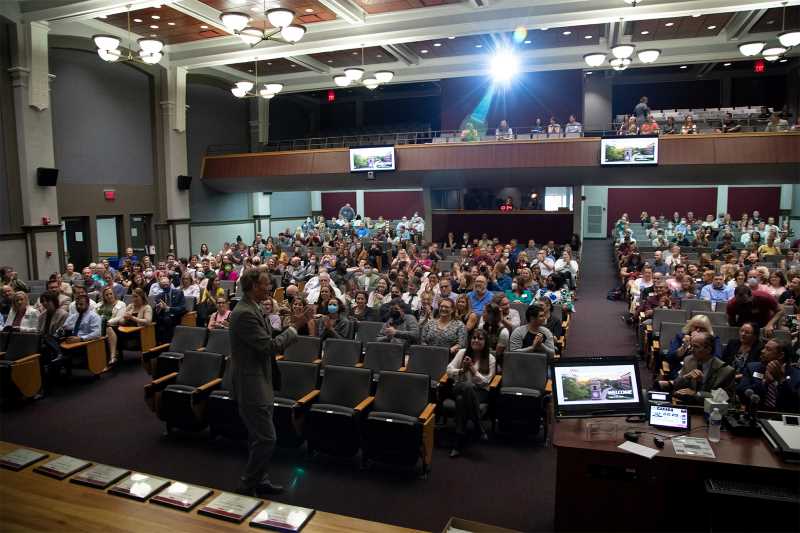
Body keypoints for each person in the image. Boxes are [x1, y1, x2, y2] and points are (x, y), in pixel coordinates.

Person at [230, 268, 313, 497]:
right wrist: (296, 327)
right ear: (253, 286)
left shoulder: (254, 307)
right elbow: (269, 346)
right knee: (267, 438)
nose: (270, 288)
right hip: (251, 384)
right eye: (266, 284)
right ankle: (247, 485)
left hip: (260, 380)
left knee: (259, 437)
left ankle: (261, 479)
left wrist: (291, 326)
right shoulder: (245, 313)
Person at [446, 329, 496, 458]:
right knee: (466, 386)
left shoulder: (490, 358)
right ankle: (478, 426)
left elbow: (486, 382)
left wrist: (473, 370)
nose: (476, 341)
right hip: (459, 387)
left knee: (461, 401)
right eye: (474, 338)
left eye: (480, 339)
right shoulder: (462, 353)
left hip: (479, 392)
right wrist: (462, 370)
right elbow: (449, 370)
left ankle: (457, 442)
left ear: (486, 342)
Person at [659, 331, 735, 405]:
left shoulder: (725, 371)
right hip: (687, 405)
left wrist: (696, 394)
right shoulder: (688, 360)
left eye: (696, 347)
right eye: (691, 346)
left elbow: (725, 398)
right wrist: (686, 377)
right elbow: (677, 385)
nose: (691, 350)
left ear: (708, 349)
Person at [737, 339, 800, 413]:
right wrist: (765, 382)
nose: (762, 351)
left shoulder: (797, 375)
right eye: (764, 348)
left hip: (782, 417)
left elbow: (795, 404)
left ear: (781, 355)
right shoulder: (752, 368)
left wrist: (781, 380)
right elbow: (741, 393)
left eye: (768, 349)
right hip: (756, 415)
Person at [97, 286, 126, 365]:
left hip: (114, 326)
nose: (109, 296)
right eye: (106, 295)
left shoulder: (121, 304)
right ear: (104, 296)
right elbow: (94, 315)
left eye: (110, 294)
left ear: (114, 294)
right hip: (98, 326)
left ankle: (113, 357)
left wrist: (107, 322)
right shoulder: (99, 304)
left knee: (108, 329)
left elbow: (119, 317)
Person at [153, 276, 186, 343]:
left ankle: (167, 343)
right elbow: (156, 311)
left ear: (170, 283)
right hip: (162, 317)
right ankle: (156, 344)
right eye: (162, 285)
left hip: (175, 316)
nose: (165, 286)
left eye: (166, 284)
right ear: (160, 286)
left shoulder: (179, 293)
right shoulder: (158, 296)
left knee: (166, 320)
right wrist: (158, 308)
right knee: (154, 321)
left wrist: (169, 309)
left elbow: (182, 308)